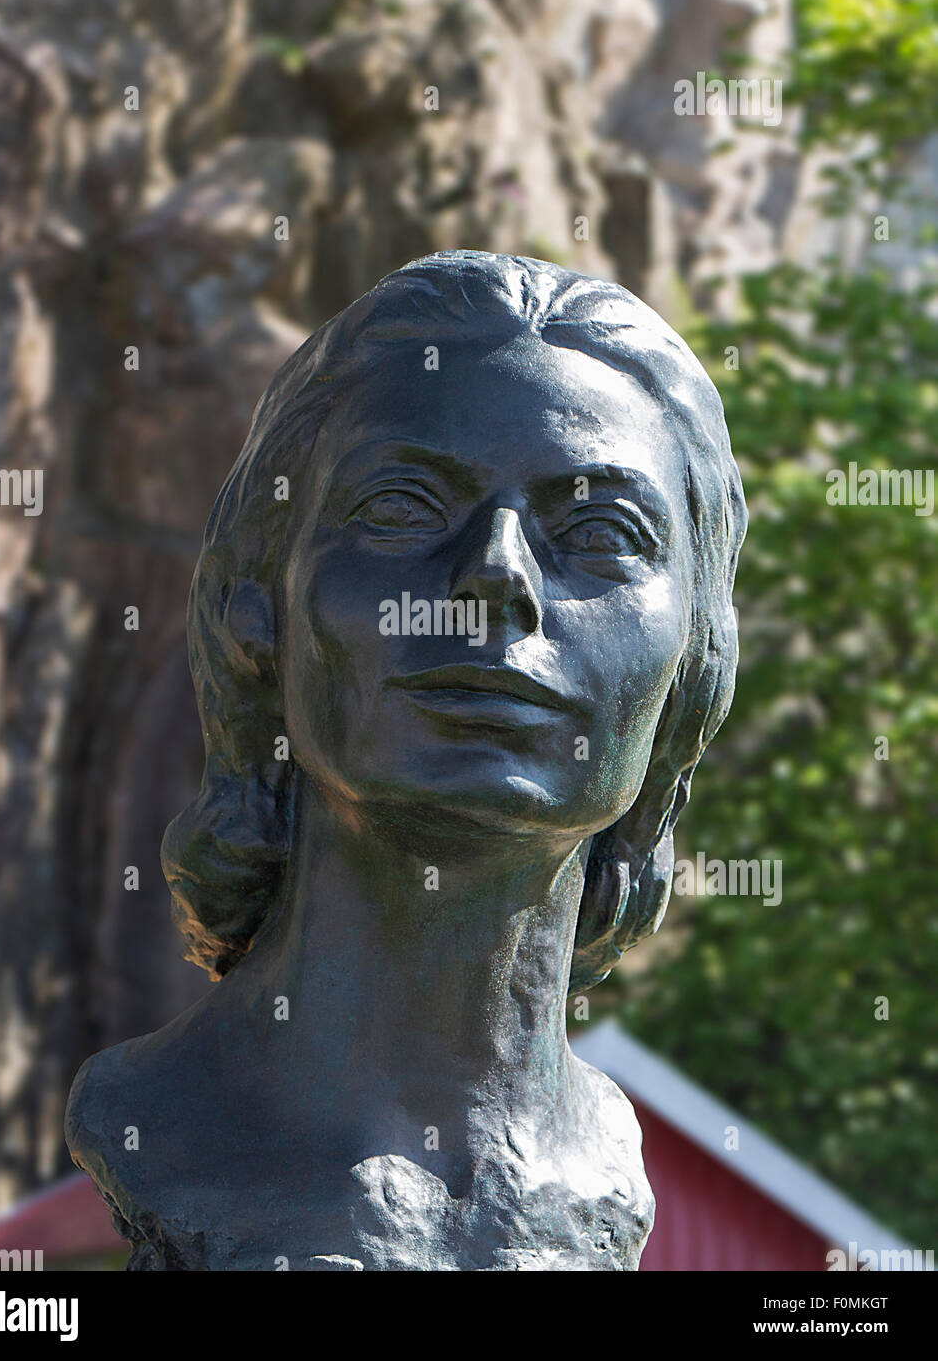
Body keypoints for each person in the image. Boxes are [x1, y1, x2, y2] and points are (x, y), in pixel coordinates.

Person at [67, 250, 746, 1270]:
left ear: (691, 667)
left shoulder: (604, 1163)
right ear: (261, 608)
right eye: (401, 507)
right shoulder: (159, 1126)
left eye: (603, 531)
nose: (494, 582)